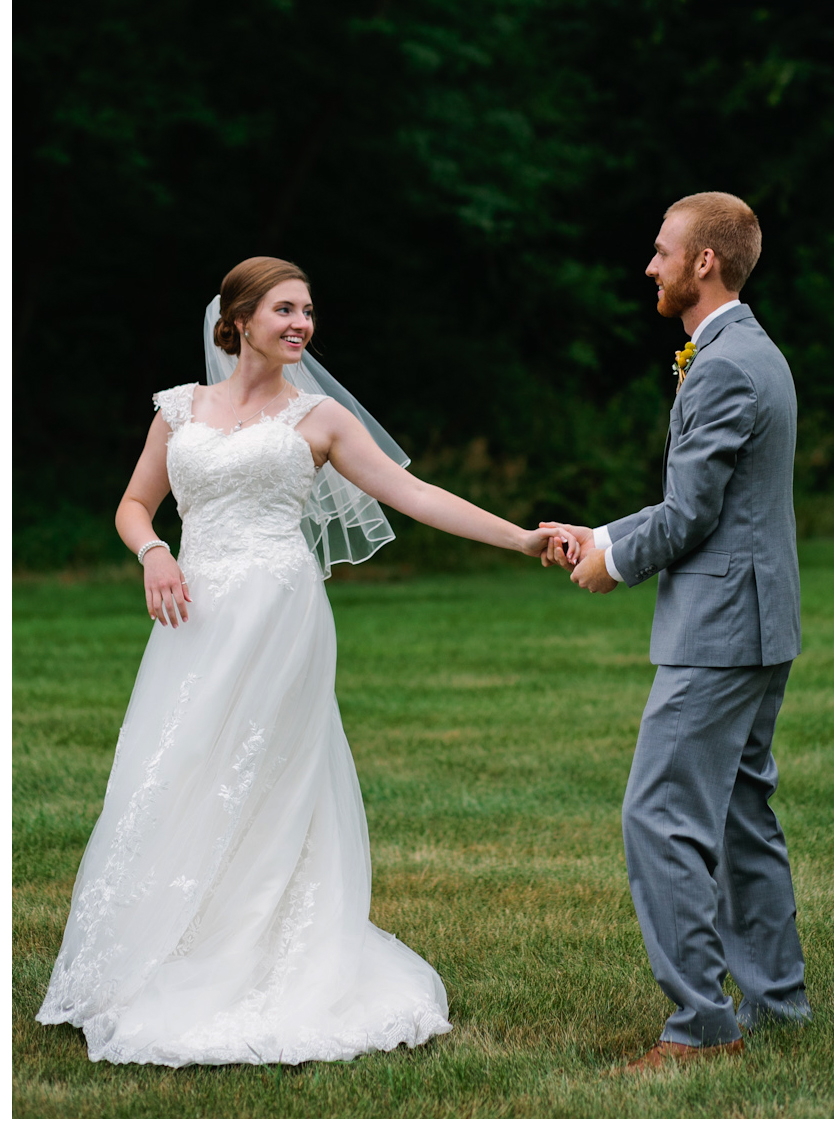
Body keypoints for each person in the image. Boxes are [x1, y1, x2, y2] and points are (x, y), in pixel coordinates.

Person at [38, 256, 575, 1066]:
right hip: (192, 613)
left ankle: (265, 948)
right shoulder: (178, 409)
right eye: (285, 309)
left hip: (279, 611)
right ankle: (165, 942)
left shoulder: (319, 418)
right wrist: (153, 551)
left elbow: (413, 494)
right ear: (239, 320)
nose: (301, 324)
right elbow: (135, 503)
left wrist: (522, 537)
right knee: (176, 764)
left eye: (308, 311)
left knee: (266, 772)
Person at [542, 191, 811, 1075]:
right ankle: (778, 1002)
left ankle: (702, 1023)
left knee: (658, 815)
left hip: (721, 629)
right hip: (757, 620)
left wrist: (612, 560)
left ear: (704, 261)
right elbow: (708, 502)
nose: (649, 265)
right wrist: (602, 533)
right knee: (737, 814)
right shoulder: (748, 350)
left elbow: (691, 514)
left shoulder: (726, 365)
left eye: (662, 250)